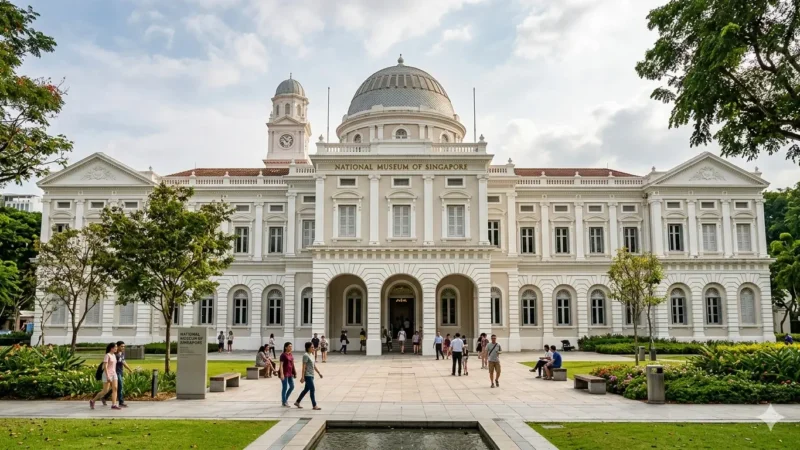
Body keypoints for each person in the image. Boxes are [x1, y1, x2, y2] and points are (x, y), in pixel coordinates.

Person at [294, 342, 323, 410]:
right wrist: (302, 377)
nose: (313, 348)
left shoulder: (311, 355)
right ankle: (314, 405)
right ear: (308, 348)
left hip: (312, 375)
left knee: (306, 389)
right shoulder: (306, 355)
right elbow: (303, 367)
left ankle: (297, 402)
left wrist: (319, 373)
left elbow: (313, 365)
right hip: (307, 375)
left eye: (313, 347)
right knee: (312, 389)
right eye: (312, 347)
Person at [91, 342, 120, 410]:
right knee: (105, 391)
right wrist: (107, 376)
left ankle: (114, 404)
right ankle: (93, 401)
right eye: (115, 347)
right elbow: (105, 366)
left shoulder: (114, 355)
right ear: (111, 348)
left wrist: (114, 374)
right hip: (107, 374)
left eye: (116, 347)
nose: (116, 348)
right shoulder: (107, 355)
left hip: (114, 374)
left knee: (115, 388)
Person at [103, 341, 132, 407]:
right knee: (120, 386)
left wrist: (129, 369)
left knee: (116, 387)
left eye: (124, 346)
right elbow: (107, 364)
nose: (123, 347)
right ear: (117, 346)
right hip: (115, 372)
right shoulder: (114, 354)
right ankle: (121, 402)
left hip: (120, 371)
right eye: (121, 346)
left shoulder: (122, 354)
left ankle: (104, 397)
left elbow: (124, 362)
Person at [279, 342, 296, 407]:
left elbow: (292, 364)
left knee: (292, 386)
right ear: (285, 347)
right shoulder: (283, 355)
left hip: (290, 373)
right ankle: (284, 401)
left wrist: (294, 372)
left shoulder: (291, 354)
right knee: (285, 387)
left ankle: (285, 399)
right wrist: (282, 374)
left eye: (291, 346)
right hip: (285, 373)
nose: (290, 347)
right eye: (289, 346)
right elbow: (281, 365)